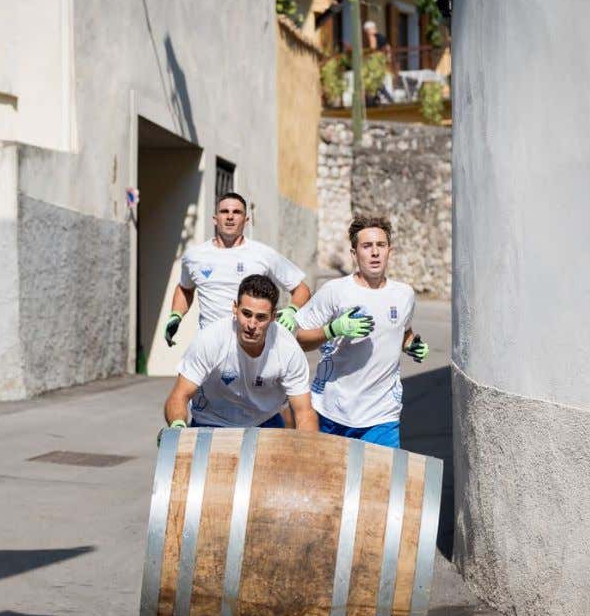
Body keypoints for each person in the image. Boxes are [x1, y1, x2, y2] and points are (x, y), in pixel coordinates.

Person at [294, 216, 428, 448]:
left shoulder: (404, 294)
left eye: (381, 245)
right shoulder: (335, 291)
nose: (375, 252)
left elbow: (403, 332)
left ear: (390, 251)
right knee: (332, 483)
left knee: (382, 483)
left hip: (382, 415)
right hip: (333, 411)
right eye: (367, 246)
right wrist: (332, 329)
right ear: (354, 254)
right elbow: (301, 339)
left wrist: (412, 345)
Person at [163, 275, 317, 432]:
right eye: (247, 314)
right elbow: (178, 396)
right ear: (235, 308)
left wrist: (308, 450)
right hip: (211, 421)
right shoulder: (210, 340)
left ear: (272, 316)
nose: (251, 324)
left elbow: (304, 413)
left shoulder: (288, 349)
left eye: (261, 317)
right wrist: (178, 428)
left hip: (264, 420)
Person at [163, 192, 310, 347]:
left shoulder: (264, 254)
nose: (230, 217)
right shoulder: (194, 256)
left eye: (237, 212)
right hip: (208, 346)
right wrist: (176, 315)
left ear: (246, 220)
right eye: (224, 211)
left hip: (252, 347)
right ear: (215, 219)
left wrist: (292, 311)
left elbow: (302, 289)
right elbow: (185, 289)